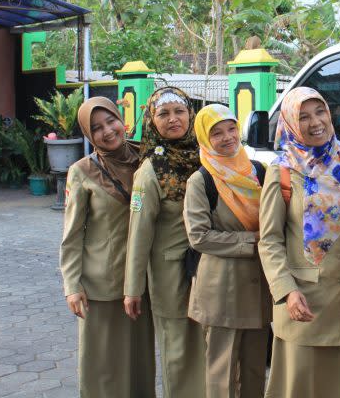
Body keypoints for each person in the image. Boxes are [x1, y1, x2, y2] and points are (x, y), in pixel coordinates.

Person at [258, 87, 340, 398]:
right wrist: (286, 291)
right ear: (291, 123)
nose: (315, 122)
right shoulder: (282, 169)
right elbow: (269, 240)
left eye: (320, 112)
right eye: (303, 117)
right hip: (305, 299)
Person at [60, 97, 156, 397]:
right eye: (97, 128)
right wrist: (71, 285)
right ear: (90, 136)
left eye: (111, 121)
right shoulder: (82, 171)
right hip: (101, 285)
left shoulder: (148, 159)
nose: (108, 131)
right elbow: (72, 234)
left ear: (121, 119)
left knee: (139, 362)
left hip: (143, 282)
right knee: (102, 365)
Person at [184, 104, 272, 398]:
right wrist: (253, 241)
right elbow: (199, 236)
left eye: (231, 129)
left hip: (258, 286)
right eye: (217, 133)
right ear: (205, 139)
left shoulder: (258, 171)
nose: (227, 137)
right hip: (222, 289)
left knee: (255, 368)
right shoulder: (202, 180)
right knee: (221, 371)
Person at [124, 87, 206, 397]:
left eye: (179, 111)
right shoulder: (149, 171)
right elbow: (139, 230)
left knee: (209, 345)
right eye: (163, 114)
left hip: (209, 268)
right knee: (179, 350)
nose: (173, 119)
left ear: (190, 114)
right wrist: (133, 287)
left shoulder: (206, 154)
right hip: (172, 275)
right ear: (151, 121)